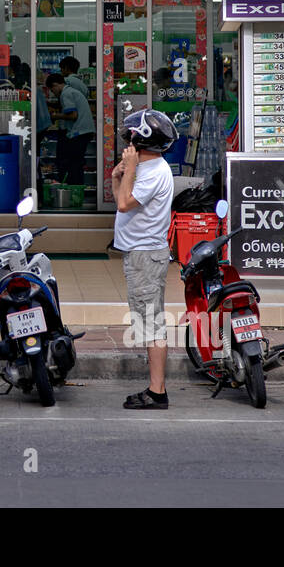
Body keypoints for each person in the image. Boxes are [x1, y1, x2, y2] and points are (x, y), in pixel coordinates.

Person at [111, 108, 177, 410]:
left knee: (151, 325)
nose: (128, 142)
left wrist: (131, 169)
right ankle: (156, 388)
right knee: (148, 321)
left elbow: (124, 204)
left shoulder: (153, 172)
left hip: (145, 258)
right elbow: (120, 199)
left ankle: (157, 391)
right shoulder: (145, 169)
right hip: (139, 256)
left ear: (140, 141)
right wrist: (118, 176)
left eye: (131, 138)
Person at [45, 73, 94, 186]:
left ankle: (73, 189)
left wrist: (55, 116)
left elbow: (73, 115)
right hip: (85, 131)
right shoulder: (72, 91)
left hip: (79, 132)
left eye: (52, 90)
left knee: (73, 164)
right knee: (76, 163)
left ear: (55, 85)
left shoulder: (65, 94)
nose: (53, 93)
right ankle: (76, 189)